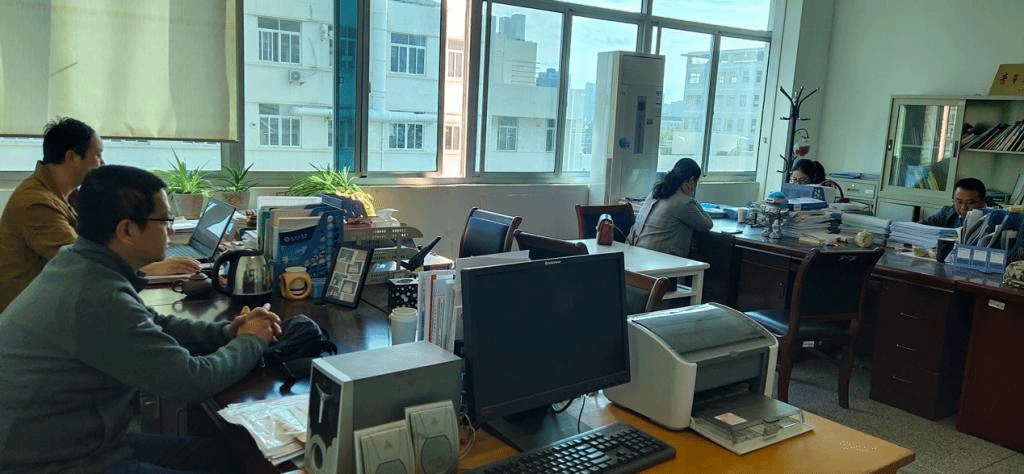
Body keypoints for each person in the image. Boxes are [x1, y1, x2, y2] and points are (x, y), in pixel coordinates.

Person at [0, 165, 282, 473]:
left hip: (74, 440)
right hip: (50, 462)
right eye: (165, 221)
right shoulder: (95, 295)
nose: (170, 231)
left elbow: (156, 323)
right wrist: (252, 339)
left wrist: (228, 331)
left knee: (221, 456)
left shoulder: (79, 263)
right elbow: (193, 380)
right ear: (127, 231)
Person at [0, 118, 201, 312]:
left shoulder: (68, 194)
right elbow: (84, 262)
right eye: (98, 155)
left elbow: (101, 240)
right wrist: (150, 268)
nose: (102, 163)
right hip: (33, 312)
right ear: (72, 158)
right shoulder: (37, 203)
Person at [627, 158, 713, 258]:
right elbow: (707, 224)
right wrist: (690, 197)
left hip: (635, 253)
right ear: (691, 180)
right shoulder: (684, 202)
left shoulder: (655, 193)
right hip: (659, 260)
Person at [920, 177, 987, 228]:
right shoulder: (948, 212)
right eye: (959, 202)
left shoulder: (990, 221)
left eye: (970, 203)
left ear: (983, 202)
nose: (963, 208)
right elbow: (921, 226)